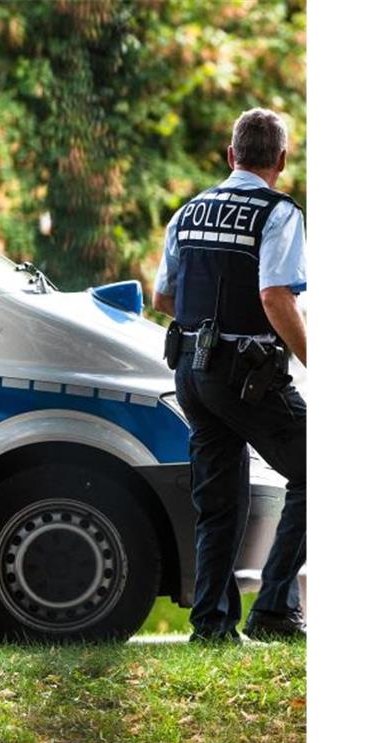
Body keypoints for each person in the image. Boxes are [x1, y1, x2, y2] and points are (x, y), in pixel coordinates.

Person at [152, 107, 307, 643]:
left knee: (219, 500)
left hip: (192, 371)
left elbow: (163, 296)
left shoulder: (190, 211)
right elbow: (274, 295)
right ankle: (273, 610)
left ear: (231, 154)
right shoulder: (279, 213)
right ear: (281, 160)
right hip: (249, 374)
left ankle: (212, 625)